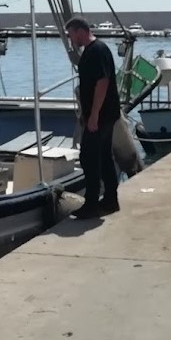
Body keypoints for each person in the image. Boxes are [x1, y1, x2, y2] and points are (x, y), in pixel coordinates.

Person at [64, 17, 122, 218]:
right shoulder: (93, 51)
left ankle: (91, 203)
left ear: (80, 31)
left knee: (88, 158)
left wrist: (94, 115)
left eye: (71, 34)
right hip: (103, 114)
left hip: (101, 115)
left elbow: (102, 82)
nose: (71, 39)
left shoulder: (97, 51)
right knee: (104, 156)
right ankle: (110, 200)